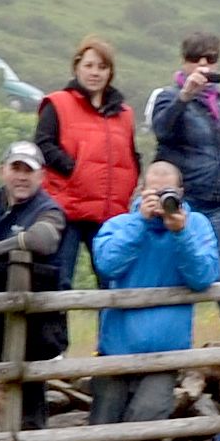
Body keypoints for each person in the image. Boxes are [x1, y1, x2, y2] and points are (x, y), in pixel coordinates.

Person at [83, 164, 220, 441]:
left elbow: (203, 277)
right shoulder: (120, 224)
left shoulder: (196, 225)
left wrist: (180, 233)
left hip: (166, 355)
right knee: (102, 434)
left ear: (181, 193)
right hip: (115, 352)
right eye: (153, 192)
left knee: (145, 427)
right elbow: (107, 265)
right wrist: (140, 223)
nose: (161, 200)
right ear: (141, 192)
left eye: (167, 193)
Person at [0, 143, 68, 441]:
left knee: (28, 420)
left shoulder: (49, 210)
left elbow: (42, 240)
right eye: (16, 168)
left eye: (29, 170)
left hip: (33, 335)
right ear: (3, 170)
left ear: (42, 175)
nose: (21, 177)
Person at [35, 38, 140, 290]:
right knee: (58, 283)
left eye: (102, 67)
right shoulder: (57, 103)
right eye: (89, 65)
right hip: (67, 209)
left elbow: (132, 154)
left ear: (110, 72)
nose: (95, 72)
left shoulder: (124, 114)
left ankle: (110, 332)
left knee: (113, 285)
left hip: (110, 213)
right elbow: (43, 145)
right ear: (77, 67)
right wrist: (75, 170)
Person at [146, 32, 220, 245]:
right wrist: (185, 96)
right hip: (183, 203)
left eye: (210, 59)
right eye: (194, 58)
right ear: (184, 62)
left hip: (218, 209)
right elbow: (162, 131)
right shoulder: (168, 97)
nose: (203, 64)